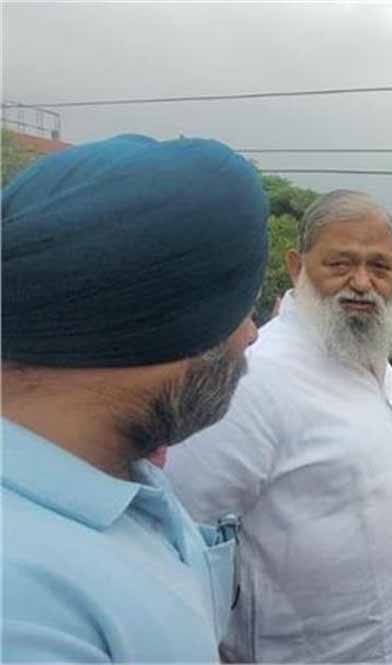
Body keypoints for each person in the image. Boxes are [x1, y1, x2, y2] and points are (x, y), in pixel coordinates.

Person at [1, 134, 270, 660]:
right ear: (172, 325)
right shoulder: (24, 612)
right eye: (242, 307)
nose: (252, 334)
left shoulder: (124, 470)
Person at [167, 189, 392, 663]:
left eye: (380, 267)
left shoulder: (377, 365)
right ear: (296, 266)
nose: (362, 283)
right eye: (340, 264)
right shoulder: (252, 379)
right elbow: (178, 537)